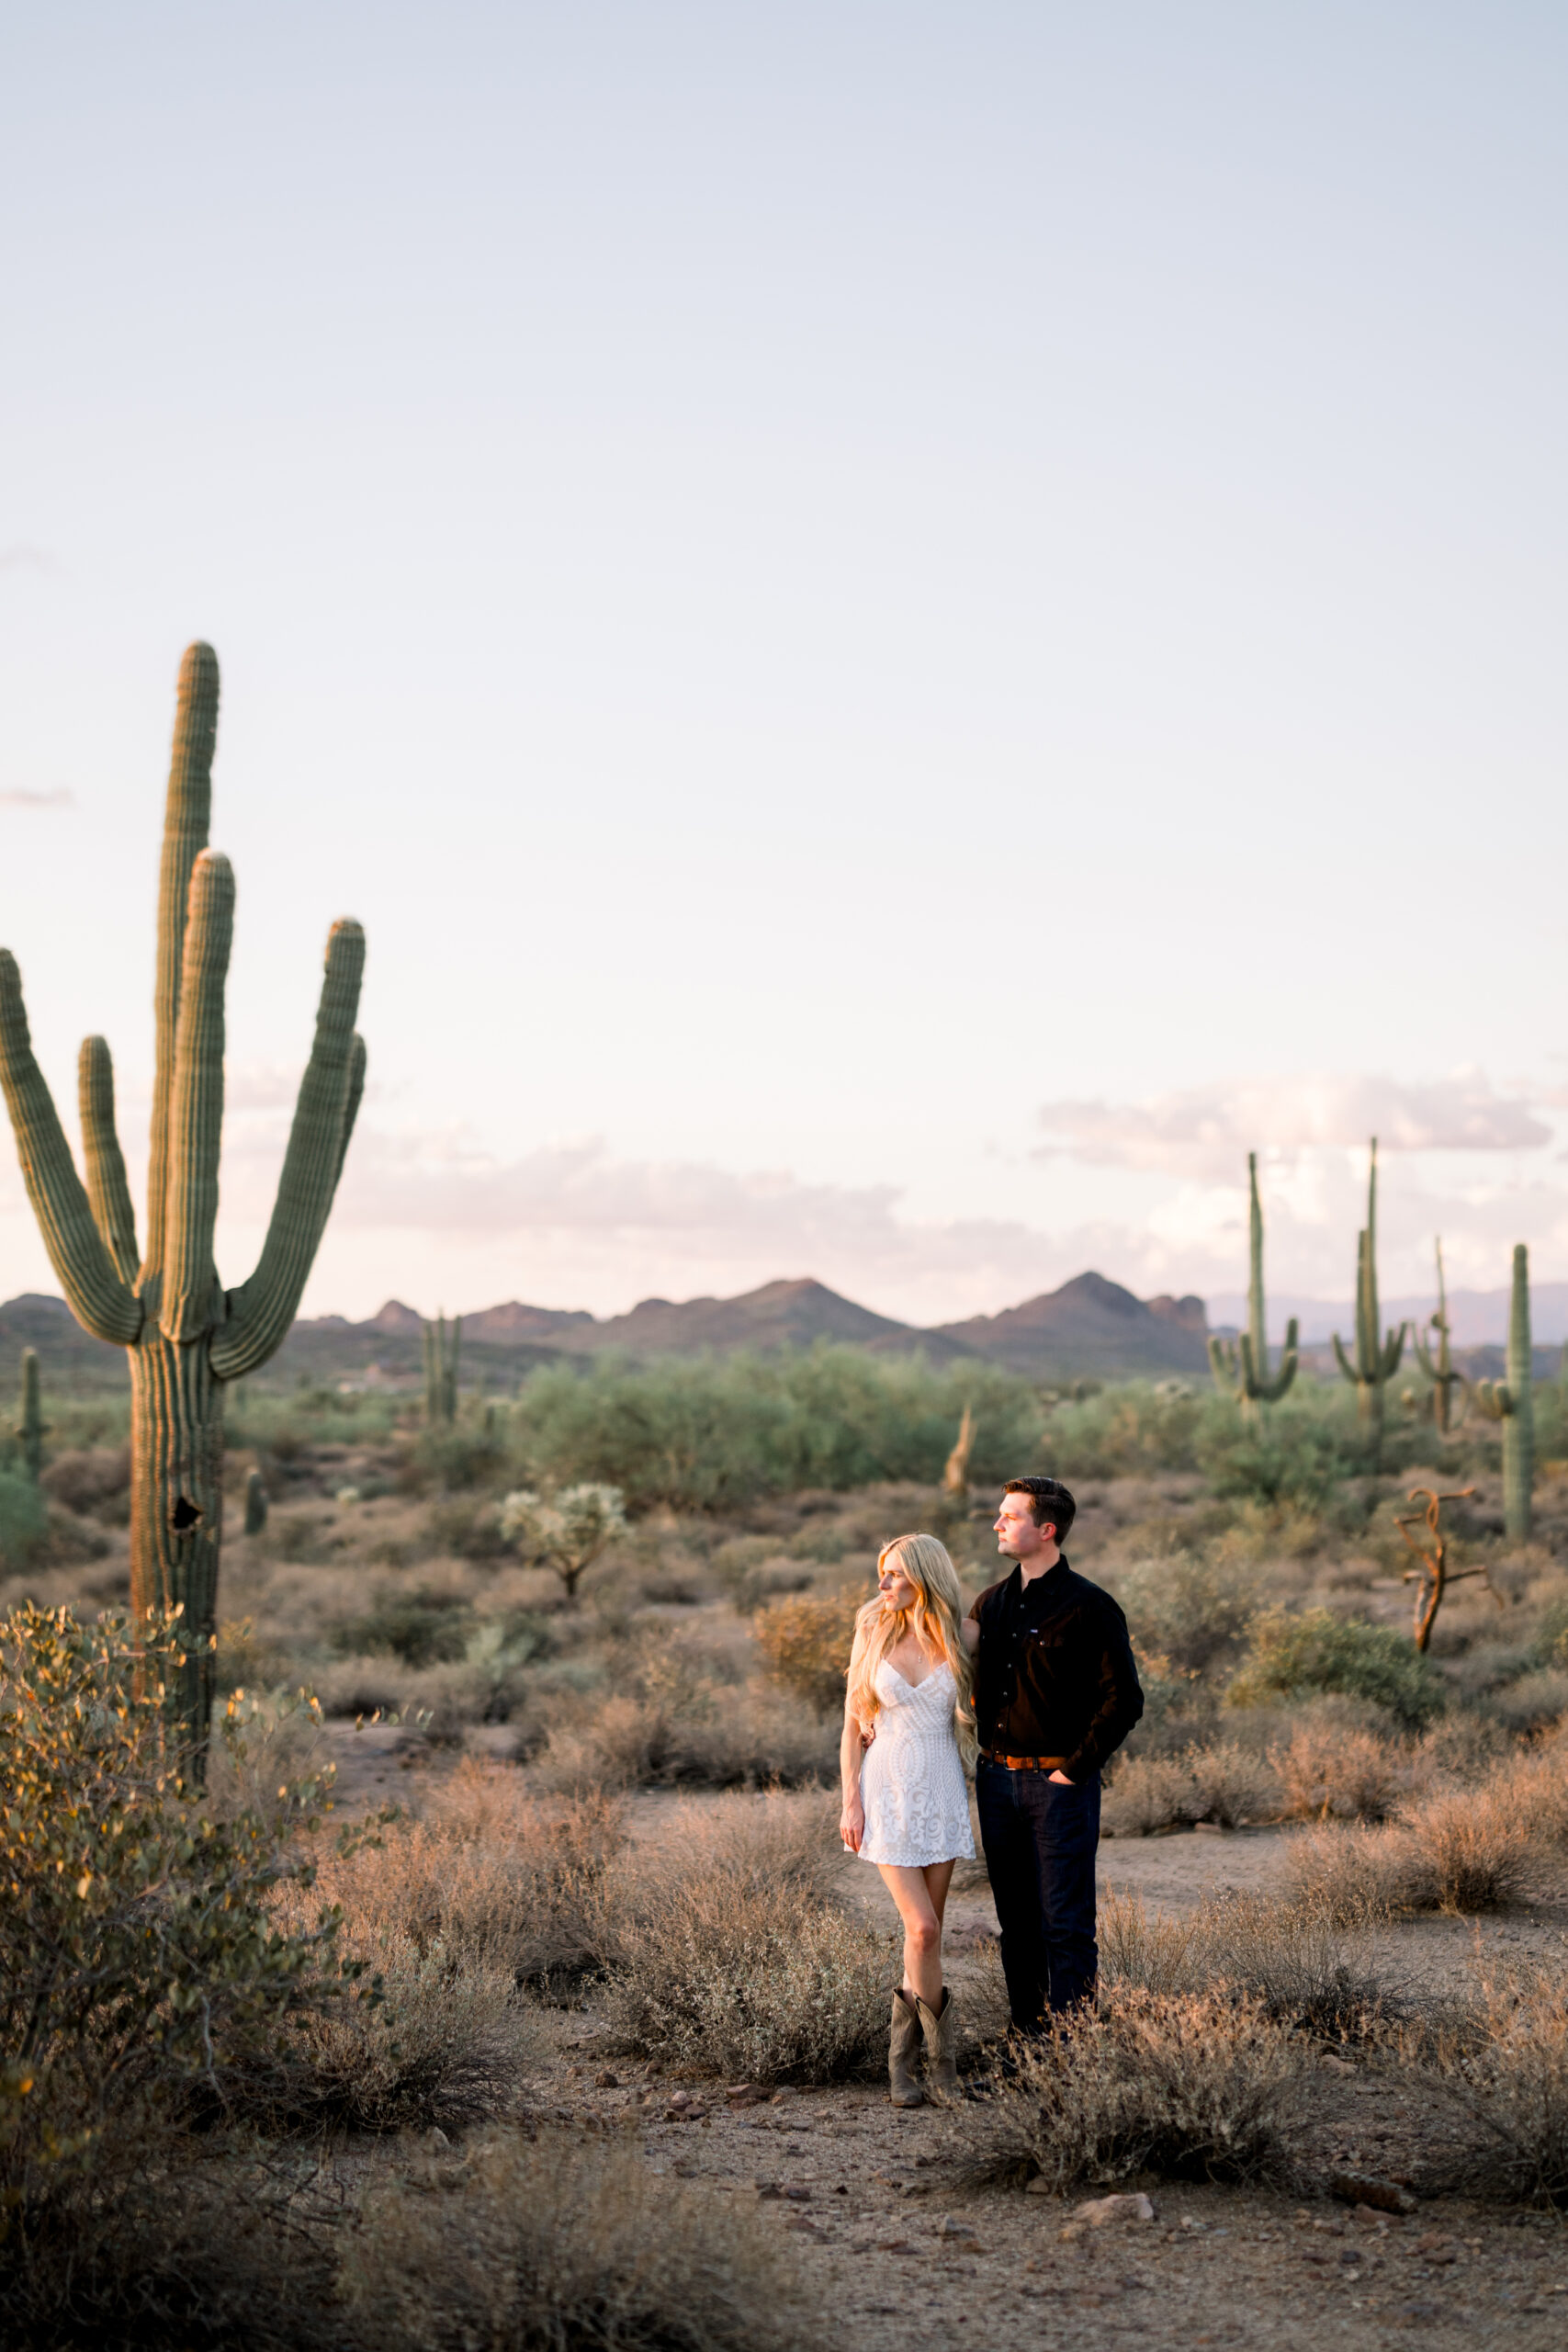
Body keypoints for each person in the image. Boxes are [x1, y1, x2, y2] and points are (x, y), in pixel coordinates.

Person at [964, 1476, 1143, 2033]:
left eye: (1009, 1516)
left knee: (1065, 1925)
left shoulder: (1090, 1606)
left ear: (1046, 1530)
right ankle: (1028, 2053)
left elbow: (1125, 1699)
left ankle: (1073, 2060)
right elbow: (946, 1671)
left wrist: (1074, 1769)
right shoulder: (989, 1604)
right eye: (999, 1514)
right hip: (996, 1783)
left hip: (1058, 1786)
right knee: (1016, 1925)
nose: (997, 1524)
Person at [839, 1532, 977, 2108]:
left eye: (894, 1574)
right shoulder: (873, 1629)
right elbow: (851, 1724)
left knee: (927, 1938)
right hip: (888, 1791)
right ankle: (931, 2067)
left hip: (942, 1789)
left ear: (924, 1575)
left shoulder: (964, 1636)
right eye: (882, 1573)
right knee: (921, 1928)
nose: (883, 1584)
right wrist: (851, 1800)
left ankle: (910, 2063)